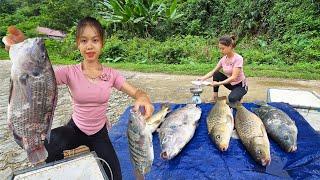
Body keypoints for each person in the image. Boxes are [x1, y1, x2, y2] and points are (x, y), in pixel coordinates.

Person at [3, 17, 154, 180]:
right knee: (45, 150)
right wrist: (23, 48)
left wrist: (143, 98)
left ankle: (87, 153)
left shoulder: (111, 75)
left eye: (95, 40)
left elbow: (137, 93)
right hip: (75, 129)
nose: (89, 46)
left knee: (114, 176)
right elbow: (38, 74)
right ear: (78, 44)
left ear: (102, 43)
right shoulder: (69, 72)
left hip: (99, 133)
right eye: (84, 40)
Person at [198, 35, 248, 105]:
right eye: (220, 48)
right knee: (216, 73)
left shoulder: (238, 58)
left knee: (232, 99)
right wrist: (202, 78)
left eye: (223, 48)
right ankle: (215, 96)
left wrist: (218, 83)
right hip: (230, 84)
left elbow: (233, 78)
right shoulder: (223, 59)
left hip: (240, 86)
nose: (221, 51)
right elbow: (213, 71)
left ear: (230, 46)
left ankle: (240, 95)